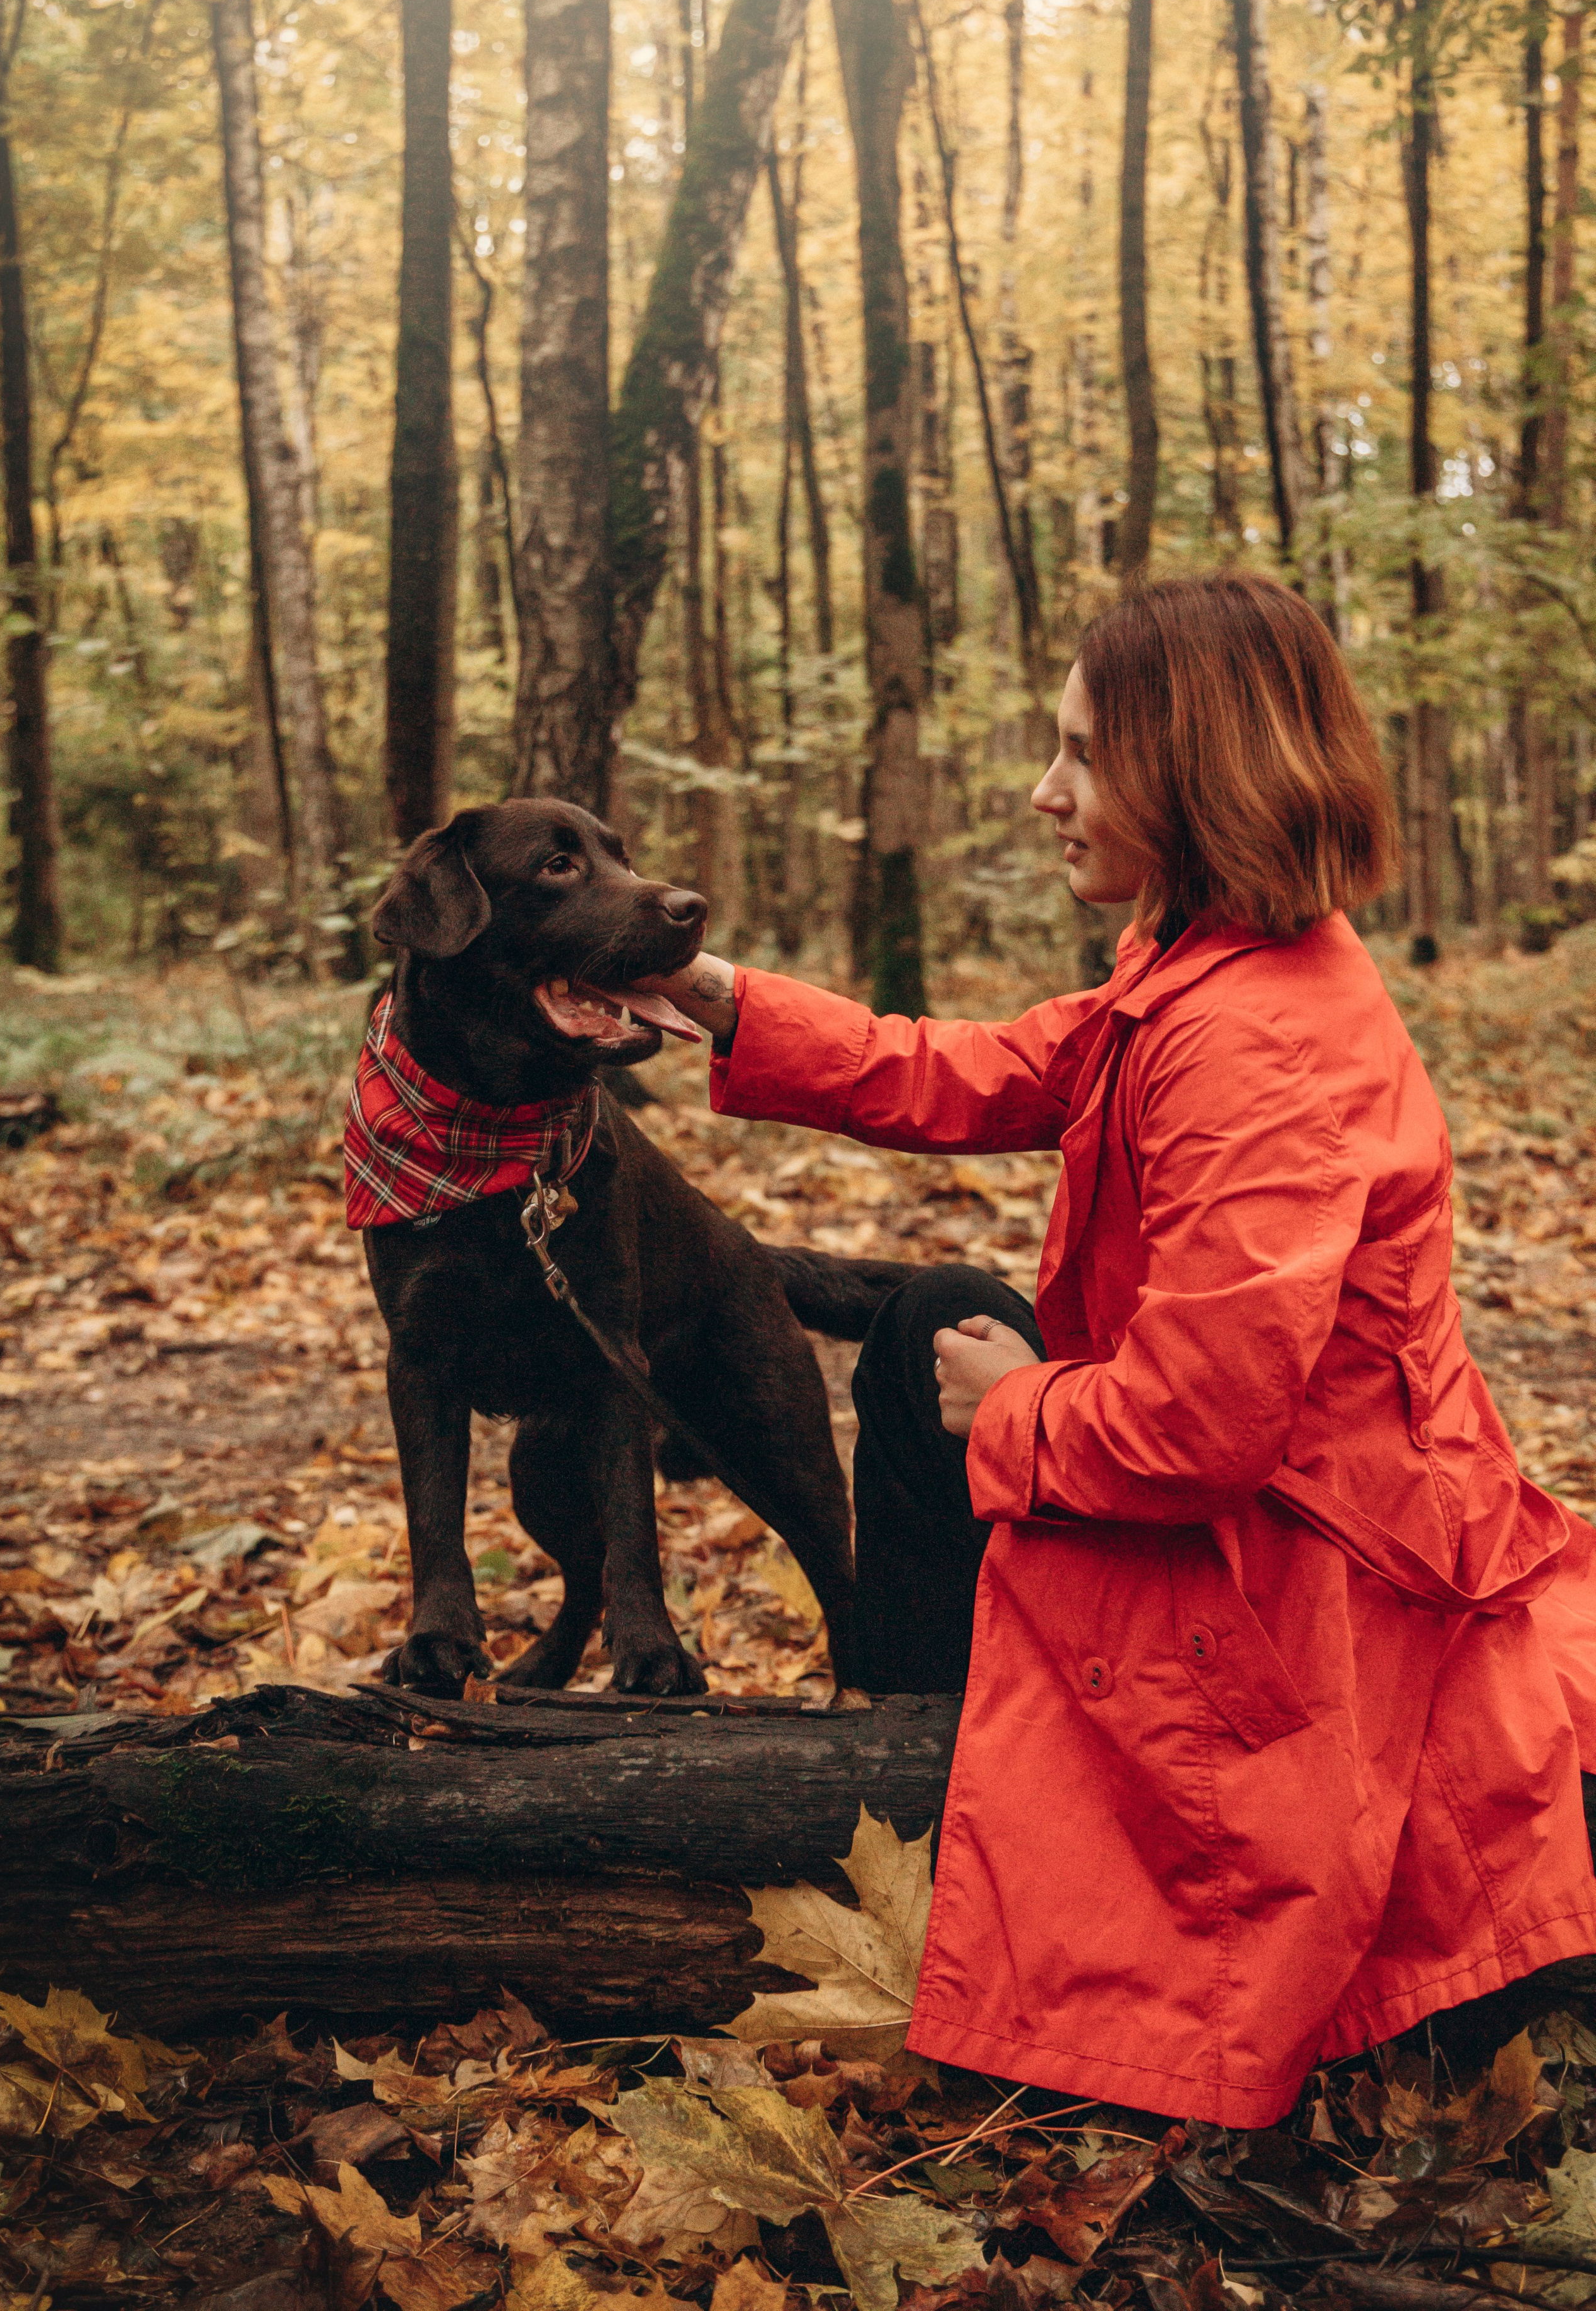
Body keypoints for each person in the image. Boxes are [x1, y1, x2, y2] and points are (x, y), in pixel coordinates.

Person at [640, 570, 1596, 2130]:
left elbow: (1202, 1430)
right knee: (921, 1315)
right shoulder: (1207, 968)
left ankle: (913, 1789)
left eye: (1080, 753)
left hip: (1285, 1559)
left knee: (939, 1349)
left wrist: (1014, 1407)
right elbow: (986, 1070)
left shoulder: (1255, 1043)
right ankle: (906, 1746)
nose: (1044, 791)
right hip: (1266, 1496)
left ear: (1190, 769)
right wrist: (715, 998)